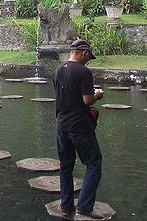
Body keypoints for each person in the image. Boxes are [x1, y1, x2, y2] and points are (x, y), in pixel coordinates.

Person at [53, 39, 105, 219]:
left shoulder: (58, 70)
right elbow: (87, 100)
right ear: (84, 53)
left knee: (65, 166)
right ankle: (84, 206)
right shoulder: (84, 72)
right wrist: (98, 94)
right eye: (88, 57)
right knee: (94, 163)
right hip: (79, 125)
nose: (88, 60)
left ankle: (66, 205)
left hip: (61, 124)